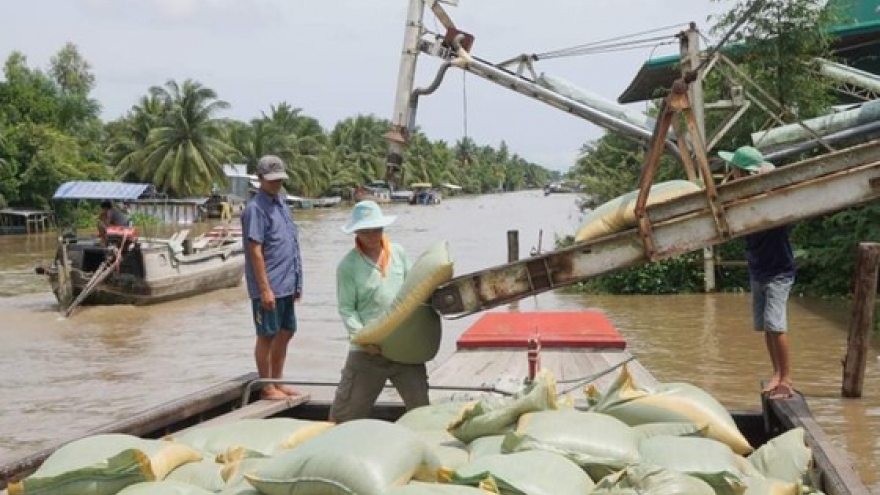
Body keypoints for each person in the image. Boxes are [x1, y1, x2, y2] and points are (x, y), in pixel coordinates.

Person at [328, 200, 430, 422]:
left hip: (404, 347)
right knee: (344, 415)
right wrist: (364, 337)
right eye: (366, 231)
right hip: (367, 351)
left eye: (377, 229)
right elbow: (347, 309)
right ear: (356, 232)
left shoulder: (399, 253)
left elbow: (414, 289)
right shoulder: (348, 266)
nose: (373, 235)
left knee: (421, 409)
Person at [719, 145, 796, 400]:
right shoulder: (743, 200)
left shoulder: (771, 198)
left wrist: (758, 175)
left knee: (776, 325)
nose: (731, 174)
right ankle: (776, 373)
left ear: (745, 172)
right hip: (759, 269)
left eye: (735, 170)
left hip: (778, 271)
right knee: (766, 326)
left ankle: (786, 380)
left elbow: (782, 186)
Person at [241, 155, 303, 400]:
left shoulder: (282, 204)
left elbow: (291, 244)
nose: (276, 184)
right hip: (269, 285)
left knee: (286, 331)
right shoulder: (255, 210)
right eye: (271, 180)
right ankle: (267, 387)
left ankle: (277, 380)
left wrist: (298, 282)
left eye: (279, 180)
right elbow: (255, 250)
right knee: (266, 334)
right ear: (260, 180)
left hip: (288, 282)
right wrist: (265, 289)